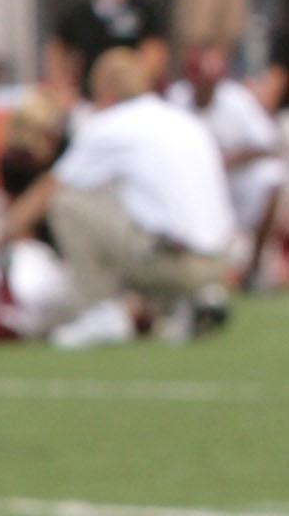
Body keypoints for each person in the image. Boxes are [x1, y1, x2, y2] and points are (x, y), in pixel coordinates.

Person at [21, 48, 241, 347]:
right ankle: (191, 300)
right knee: (128, 202)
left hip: (173, 263)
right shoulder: (184, 120)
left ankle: (100, 313)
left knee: (67, 204)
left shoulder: (110, 126)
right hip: (221, 263)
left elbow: (49, 191)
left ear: (105, 90)